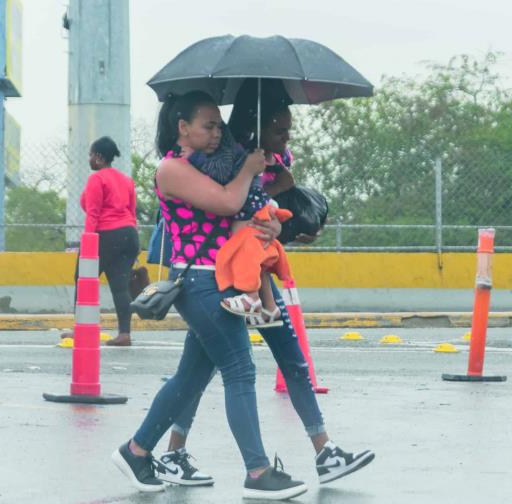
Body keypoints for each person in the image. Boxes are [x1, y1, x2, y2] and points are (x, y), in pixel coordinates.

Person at [150, 83, 374, 490]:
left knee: (280, 359)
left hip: (254, 272)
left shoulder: (266, 159)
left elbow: (257, 208)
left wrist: (278, 216)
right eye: (280, 131)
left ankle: (324, 451)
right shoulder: (210, 160)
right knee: (210, 372)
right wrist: (254, 177)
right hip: (215, 277)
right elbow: (227, 203)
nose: (286, 139)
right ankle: (181, 454)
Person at [111, 91, 310, 500]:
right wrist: (249, 170)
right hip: (201, 282)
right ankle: (257, 471)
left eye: (219, 124)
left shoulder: (213, 165)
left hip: (218, 279)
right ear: (182, 128)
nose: (218, 132)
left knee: (191, 377)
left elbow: (245, 211)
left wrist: (268, 225)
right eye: (208, 125)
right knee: (240, 370)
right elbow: (227, 203)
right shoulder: (172, 169)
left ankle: (136, 451)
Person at [185, 123, 294, 327]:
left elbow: (218, 171)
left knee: (247, 255)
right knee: (258, 264)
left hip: (249, 212)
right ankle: (269, 308)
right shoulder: (253, 154)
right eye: (280, 131)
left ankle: (251, 297)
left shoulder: (246, 154)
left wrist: (193, 157)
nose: (286, 137)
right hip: (256, 208)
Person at [74, 136, 139, 347]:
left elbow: (92, 214)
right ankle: (124, 333)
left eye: (91, 155)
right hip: (129, 235)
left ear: (100, 157)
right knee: (120, 286)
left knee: (83, 278)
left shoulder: (97, 179)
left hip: (106, 234)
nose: (89, 159)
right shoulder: (126, 180)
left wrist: (87, 245)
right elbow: (132, 213)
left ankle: (82, 329)